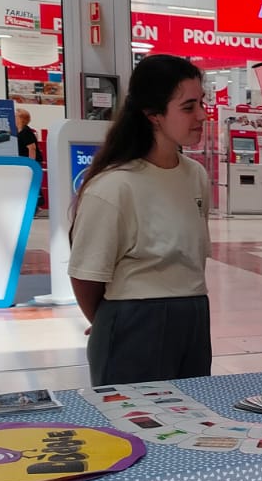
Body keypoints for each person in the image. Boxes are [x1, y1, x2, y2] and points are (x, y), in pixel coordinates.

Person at [68, 54, 211, 387]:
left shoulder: (196, 176)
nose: (202, 115)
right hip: (134, 324)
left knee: (193, 413)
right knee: (136, 417)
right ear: (153, 115)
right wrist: (110, 321)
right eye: (188, 107)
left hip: (193, 317)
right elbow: (86, 276)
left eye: (201, 103)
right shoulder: (114, 187)